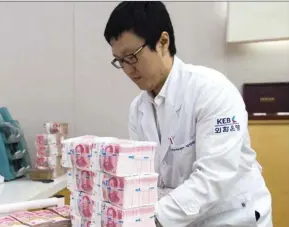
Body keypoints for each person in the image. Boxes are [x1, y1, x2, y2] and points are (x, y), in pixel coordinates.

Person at [103, 2, 272, 227]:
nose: (127, 69)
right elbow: (147, 178)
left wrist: (153, 220)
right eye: (120, 61)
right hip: (181, 219)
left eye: (132, 56)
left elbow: (214, 176)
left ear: (163, 42)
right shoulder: (138, 110)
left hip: (234, 218)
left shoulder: (211, 90)